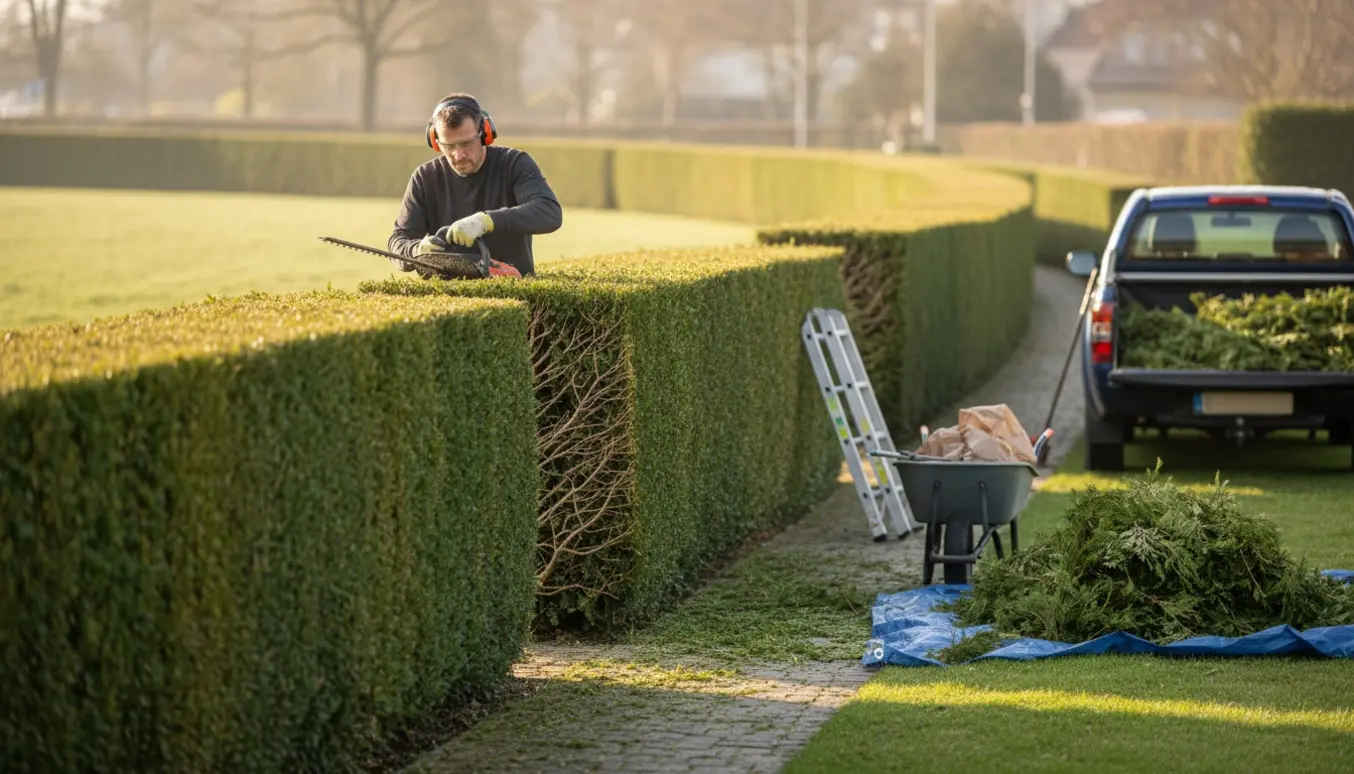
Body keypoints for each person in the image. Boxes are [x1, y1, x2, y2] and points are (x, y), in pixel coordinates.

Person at [387, 92, 562, 277]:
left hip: (511, 286)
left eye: (466, 143)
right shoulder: (424, 178)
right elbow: (398, 240)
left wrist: (487, 221)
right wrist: (416, 250)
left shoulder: (514, 164)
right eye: (449, 146)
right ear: (435, 141)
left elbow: (549, 212)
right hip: (447, 295)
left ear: (485, 132)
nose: (458, 155)